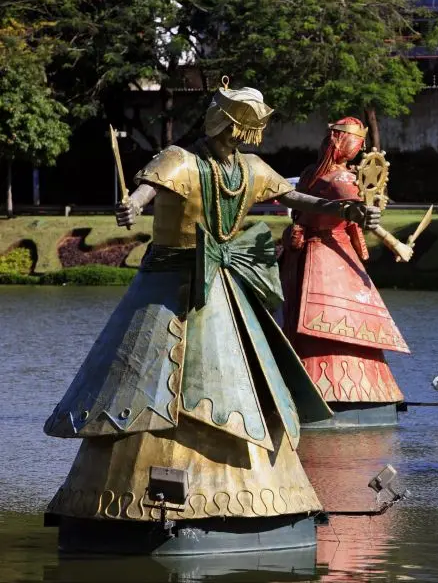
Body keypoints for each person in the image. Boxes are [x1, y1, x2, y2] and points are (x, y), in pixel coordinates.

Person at [42, 82, 381, 552]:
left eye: (249, 133)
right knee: (143, 385)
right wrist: (132, 205)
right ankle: (129, 502)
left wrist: (343, 208)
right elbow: (148, 188)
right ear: (222, 123)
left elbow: (296, 198)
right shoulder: (179, 158)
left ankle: (261, 497)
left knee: (244, 381)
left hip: (224, 285)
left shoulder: (248, 168)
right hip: (166, 282)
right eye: (238, 131)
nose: (241, 141)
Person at [280, 118, 409, 425]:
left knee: (295, 321)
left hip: (299, 257)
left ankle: (291, 384)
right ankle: (344, 392)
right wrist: (397, 245)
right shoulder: (341, 180)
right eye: (357, 142)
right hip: (330, 259)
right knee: (341, 325)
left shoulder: (311, 173)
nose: (359, 148)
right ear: (346, 144)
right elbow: (365, 218)